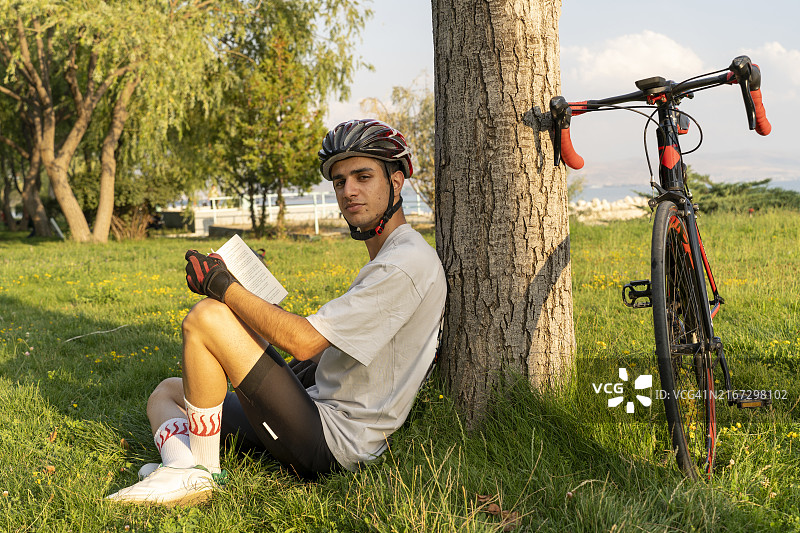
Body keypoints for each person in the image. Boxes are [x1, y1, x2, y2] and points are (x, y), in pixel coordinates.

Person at [107, 119, 447, 506]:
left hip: (333, 443)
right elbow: (327, 350)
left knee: (206, 316)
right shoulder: (394, 255)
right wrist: (252, 306)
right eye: (339, 182)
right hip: (313, 406)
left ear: (397, 181)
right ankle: (180, 463)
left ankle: (198, 476)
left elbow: (304, 342)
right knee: (167, 392)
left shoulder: (404, 263)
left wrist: (222, 285)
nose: (349, 191)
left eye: (363, 176)